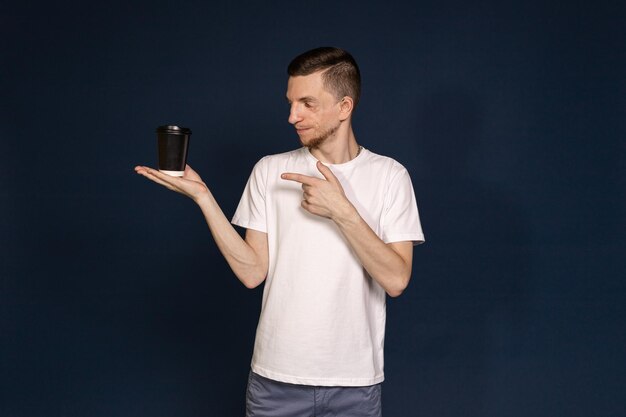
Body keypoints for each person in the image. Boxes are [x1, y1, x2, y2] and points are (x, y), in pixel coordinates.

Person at [135, 46, 424, 417]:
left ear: (344, 107)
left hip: (355, 385)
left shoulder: (390, 177)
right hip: (275, 383)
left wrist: (341, 211)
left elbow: (396, 279)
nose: (292, 116)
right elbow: (252, 272)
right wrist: (204, 198)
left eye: (307, 103)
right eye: (290, 103)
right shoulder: (270, 171)